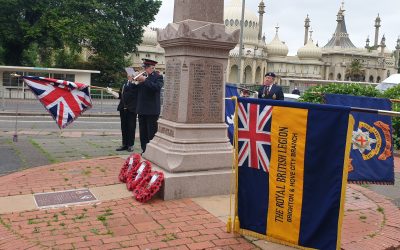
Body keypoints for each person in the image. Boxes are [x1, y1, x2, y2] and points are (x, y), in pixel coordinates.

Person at [135, 58, 164, 153]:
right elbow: (134, 89)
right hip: (141, 109)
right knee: (142, 133)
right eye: (144, 67)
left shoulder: (158, 77)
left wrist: (145, 81)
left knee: (151, 133)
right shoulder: (142, 77)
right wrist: (133, 81)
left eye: (146, 67)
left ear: (152, 67)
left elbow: (156, 88)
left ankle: (152, 152)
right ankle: (144, 151)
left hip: (152, 110)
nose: (144, 69)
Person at [107, 69, 138, 152]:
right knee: (124, 127)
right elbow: (120, 96)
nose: (129, 75)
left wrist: (135, 81)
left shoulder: (136, 84)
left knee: (131, 127)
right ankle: (124, 144)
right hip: (123, 108)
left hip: (131, 109)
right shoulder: (124, 84)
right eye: (128, 74)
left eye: (130, 74)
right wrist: (112, 92)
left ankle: (130, 145)